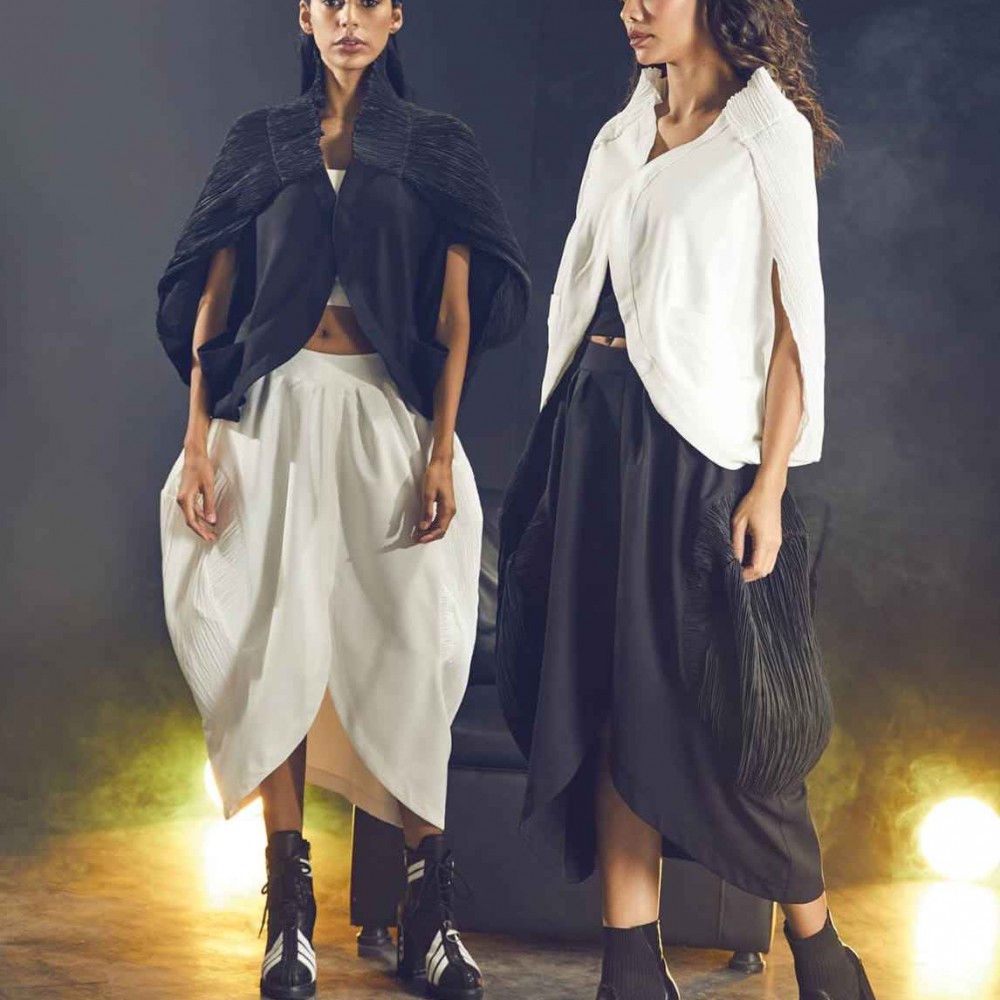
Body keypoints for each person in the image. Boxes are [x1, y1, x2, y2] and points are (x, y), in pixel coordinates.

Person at [495, 2, 876, 999]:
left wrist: (770, 485)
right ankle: (630, 965)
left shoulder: (765, 133)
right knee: (606, 696)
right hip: (592, 433)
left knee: (718, 709)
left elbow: (797, 325)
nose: (630, 8)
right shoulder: (622, 132)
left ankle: (820, 950)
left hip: (693, 454)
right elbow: (585, 290)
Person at [156, 2, 529, 998]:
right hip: (274, 413)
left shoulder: (435, 147)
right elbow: (213, 298)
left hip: (385, 411)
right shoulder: (262, 141)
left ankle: (430, 912)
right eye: (332, 3)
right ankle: (290, 913)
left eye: (369, 3)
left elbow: (456, 317)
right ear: (305, 15)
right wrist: (196, 440)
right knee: (275, 638)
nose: (349, 19)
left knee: (411, 645)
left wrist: (440, 449)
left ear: (396, 17)